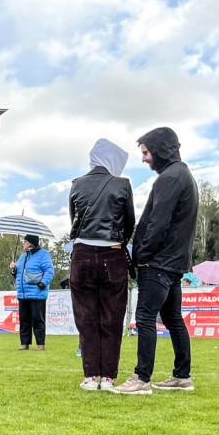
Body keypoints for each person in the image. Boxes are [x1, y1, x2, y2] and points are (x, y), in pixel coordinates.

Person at [112, 127, 199, 395]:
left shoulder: (171, 178)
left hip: (159, 262)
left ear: (160, 149)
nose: (144, 159)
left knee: (146, 317)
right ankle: (182, 376)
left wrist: (143, 256)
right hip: (173, 263)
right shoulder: (183, 175)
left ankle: (141, 379)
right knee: (173, 318)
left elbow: (158, 223)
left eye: (147, 152)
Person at [69, 138, 135, 390]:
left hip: (82, 254)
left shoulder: (77, 184)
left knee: (86, 318)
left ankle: (89, 376)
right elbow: (129, 222)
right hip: (113, 254)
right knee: (112, 317)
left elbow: (74, 221)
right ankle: (108, 376)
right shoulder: (122, 184)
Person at [9, 234, 54, 351]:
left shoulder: (44, 254)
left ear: (31, 243)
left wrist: (42, 284)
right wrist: (13, 270)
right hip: (23, 294)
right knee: (24, 320)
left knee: (38, 319)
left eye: (25, 241)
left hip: (37, 293)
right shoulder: (23, 257)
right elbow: (18, 275)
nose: (23, 243)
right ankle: (24, 343)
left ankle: (40, 344)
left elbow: (49, 270)